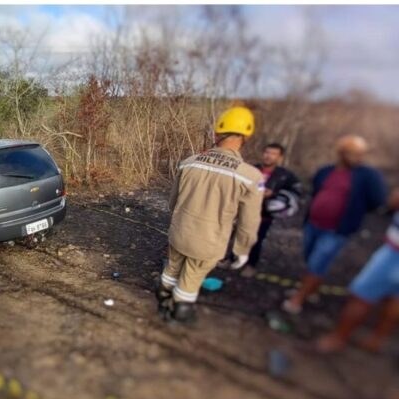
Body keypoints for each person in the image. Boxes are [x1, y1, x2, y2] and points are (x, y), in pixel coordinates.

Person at [158, 106, 264, 323]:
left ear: (217, 134)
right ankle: (178, 313)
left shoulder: (189, 162)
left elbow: (172, 203)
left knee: (172, 267)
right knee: (191, 279)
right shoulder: (250, 176)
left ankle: (163, 295)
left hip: (178, 234)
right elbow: (249, 221)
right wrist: (242, 249)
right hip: (209, 242)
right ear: (246, 137)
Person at [282, 135, 387, 314]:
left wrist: (355, 212)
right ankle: (312, 290)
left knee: (318, 262)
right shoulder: (326, 170)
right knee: (310, 258)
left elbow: (377, 200)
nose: (358, 157)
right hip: (313, 224)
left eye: (361, 154)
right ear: (342, 153)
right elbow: (316, 189)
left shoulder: (368, 176)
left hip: (337, 230)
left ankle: (297, 299)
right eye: (353, 153)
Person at [316, 188, 399, 353]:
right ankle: (376, 340)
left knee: (361, 296)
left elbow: (393, 202)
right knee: (395, 299)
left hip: (393, 254)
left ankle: (337, 339)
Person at [241, 143, 302, 278]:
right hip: (244, 211)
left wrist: (273, 194)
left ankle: (251, 265)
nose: (269, 156)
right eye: (267, 152)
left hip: (265, 215)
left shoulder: (285, 175)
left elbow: (294, 192)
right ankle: (232, 259)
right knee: (238, 236)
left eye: (274, 154)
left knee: (257, 239)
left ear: (280, 157)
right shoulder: (252, 169)